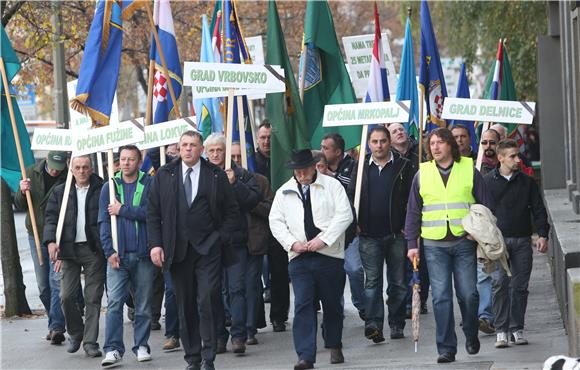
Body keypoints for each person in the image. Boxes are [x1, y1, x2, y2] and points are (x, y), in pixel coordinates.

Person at [148, 130, 239, 370]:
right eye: (184, 145)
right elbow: (153, 213)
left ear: (201, 150)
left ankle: (209, 357)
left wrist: (220, 238)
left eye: (193, 145)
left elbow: (231, 212)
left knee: (207, 299)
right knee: (185, 305)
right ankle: (193, 358)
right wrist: (156, 244)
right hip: (177, 252)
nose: (188, 149)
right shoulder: (165, 175)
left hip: (208, 250)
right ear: (178, 148)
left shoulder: (216, 175)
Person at [405, 128, 493, 364]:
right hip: (434, 244)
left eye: (440, 142)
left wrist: (480, 233)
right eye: (432, 143)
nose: (435, 147)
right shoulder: (422, 174)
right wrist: (411, 244)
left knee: (468, 294)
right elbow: (413, 211)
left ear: (450, 145)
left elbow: (485, 205)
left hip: (464, 241)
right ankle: (446, 348)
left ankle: (471, 332)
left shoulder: (469, 170)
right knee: (441, 297)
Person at [269, 149, 353, 370]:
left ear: (314, 166)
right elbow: (275, 221)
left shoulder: (332, 185)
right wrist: (291, 243)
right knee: (303, 305)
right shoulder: (284, 191)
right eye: (297, 170)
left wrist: (323, 240)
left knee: (332, 304)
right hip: (299, 256)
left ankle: (334, 343)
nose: (301, 173)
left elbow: (345, 215)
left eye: (305, 168)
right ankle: (305, 355)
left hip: (329, 255)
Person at [347, 126, 414, 343]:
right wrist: (354, 222)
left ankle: (396, 323)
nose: (379, 145)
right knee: (372, 282)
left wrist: (408, 224)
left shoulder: (404, 165)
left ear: (389, 142)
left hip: (396, 234)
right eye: (374, 142)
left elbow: (413, 199)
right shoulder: (359, 168)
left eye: (383, 141)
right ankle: (373, 324)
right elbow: (350, 197)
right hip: (368, 234)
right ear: (368, 144)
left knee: (397, 282)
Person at [484, 139, 550, 348]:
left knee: (519, 287)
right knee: (499, 285)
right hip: (497, 243)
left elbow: (538, 209)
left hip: (522, 240)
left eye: (518, 155)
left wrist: (542, 235)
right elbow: (480, 211)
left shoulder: (527, 182)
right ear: (500, 157)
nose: (517, 159)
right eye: (512, 156)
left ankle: (517, 328)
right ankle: (501, 330)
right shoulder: (486, 182)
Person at [43, 155, 106, 357]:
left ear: (91, 168)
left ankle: (90, 342)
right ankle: (76, 333)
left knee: (93, 298)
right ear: (71, 169)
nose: (81, 171)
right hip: (68, 251)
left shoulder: (102, 189)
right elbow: (51, 218)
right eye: (77, 167)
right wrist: (51, 241)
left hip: (93, 250)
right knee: (66, 296)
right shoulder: (61, 191)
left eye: (85, 167)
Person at [204, 134, 261, 353]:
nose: (216, 154)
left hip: (235, 242)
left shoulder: (241, 174)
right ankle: (219, 335)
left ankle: (239, 335)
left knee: (237, 289)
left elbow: (252, 200)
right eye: (212, 151)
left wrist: (234, 183)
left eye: (219, 150)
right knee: (214, 292)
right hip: (209, 244)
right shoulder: (201, 175)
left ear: (226, 151)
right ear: (206, 152)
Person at [98, 145, 155, 366]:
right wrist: (109, 252)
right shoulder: (109, 187)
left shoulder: (149, 183)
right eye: (122, 159)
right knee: (113, 303)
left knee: (142, 304)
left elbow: (151, 214)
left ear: (139, 162)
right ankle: (112, 349)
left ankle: (141, 345)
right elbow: (103, 222)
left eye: (131, 159)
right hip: (117, 258)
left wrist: (124, 210)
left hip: (143, 256)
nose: (126, 163)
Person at [15, 151, 69, 344]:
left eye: (59, 167)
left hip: (57, 236)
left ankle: (56, 327)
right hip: (36, 234)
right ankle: (54, 319)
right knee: (43, 285)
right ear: (46, 160)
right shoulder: (30, 172)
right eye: (53, 166)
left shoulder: (67, 176)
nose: (55, 171)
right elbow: (20, 204)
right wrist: (22, 191)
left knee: (56, 282)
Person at [233, 142, 274, 345]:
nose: (237, 161)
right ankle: (236, 326)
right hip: (232, 243)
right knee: (234, 288)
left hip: (254, 241)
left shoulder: (260, 181)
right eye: (234, 157)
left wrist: (248, 200)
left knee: (251, 287)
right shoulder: (222, 180)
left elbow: (269, 209)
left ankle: (250, 329)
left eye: (241, 156)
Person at [387, 123, 429, 317]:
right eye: (394, 131)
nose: (400, 132)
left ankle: (421, 298)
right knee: (402, 264)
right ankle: (405, 302)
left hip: (421, 212)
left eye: (401, 129)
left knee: (422, 263)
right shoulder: (389, 159)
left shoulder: (419, 152)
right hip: (398, 219)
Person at [319, 134, 363, 321]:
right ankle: (335, 310)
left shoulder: (354, 167)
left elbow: (353, 189)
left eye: (325, 148)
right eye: (321, 147)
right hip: (327, 232)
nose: (322, 151)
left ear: (338, 152)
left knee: (354, 269)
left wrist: (331, 177)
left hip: (349, 230)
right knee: (331, 274)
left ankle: (362, 304)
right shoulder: (318, 168)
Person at [254, 119, 290, 333]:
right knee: (253, 274)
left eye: (270, 138)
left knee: (279, 273)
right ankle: (256, 318)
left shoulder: (283, 162)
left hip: (280, 225)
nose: (267, 142)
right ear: (257, 140)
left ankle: (279, 316)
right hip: (256, 223)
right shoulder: (251, 162)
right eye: (263, 138)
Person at [475, 128, 501, 334]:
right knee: (484, 275)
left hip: (507, 228)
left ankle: (505, 317)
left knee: (504, 279)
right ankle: (485, 316)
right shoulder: (476, 169)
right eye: (484, 143)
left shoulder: (510, 164)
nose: (488, 147)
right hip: (484, 232)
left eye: (492, 143)